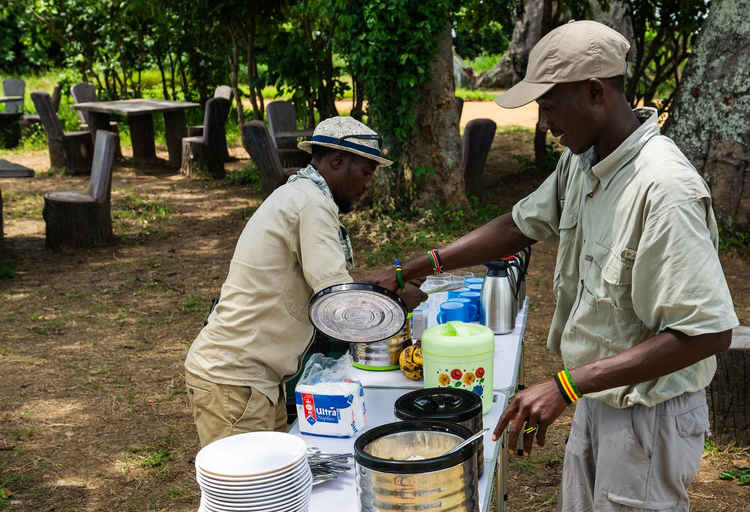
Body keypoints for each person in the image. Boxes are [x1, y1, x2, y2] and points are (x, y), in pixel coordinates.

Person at [363, 20, 738, 511]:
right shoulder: (584, 159)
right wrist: (414, 267)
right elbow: (519, 224)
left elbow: (708, 333)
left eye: (549, 105)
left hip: (649, 413)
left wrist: (566, 385)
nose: (543, 123)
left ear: (595, 91)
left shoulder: (664, 190)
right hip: (598, 392)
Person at [185, 116, 426, 447]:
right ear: (338, 160)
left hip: (255, 378)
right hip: (236, 378)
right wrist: (398, 304)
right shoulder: (313, 205)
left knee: (274, 477)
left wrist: (379, 288)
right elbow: (339, 308)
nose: (368, 184)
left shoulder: (300, 194)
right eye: (366, 172)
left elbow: (329, 289)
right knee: (249, 481)